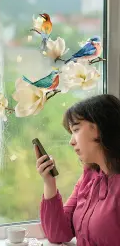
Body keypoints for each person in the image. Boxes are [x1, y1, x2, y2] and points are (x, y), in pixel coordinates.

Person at [35, 94, 120, 246]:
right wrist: (49, 183)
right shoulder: (88, 178)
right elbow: (58, 234)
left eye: (75, 129)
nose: (71, 141)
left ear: (99, 128)